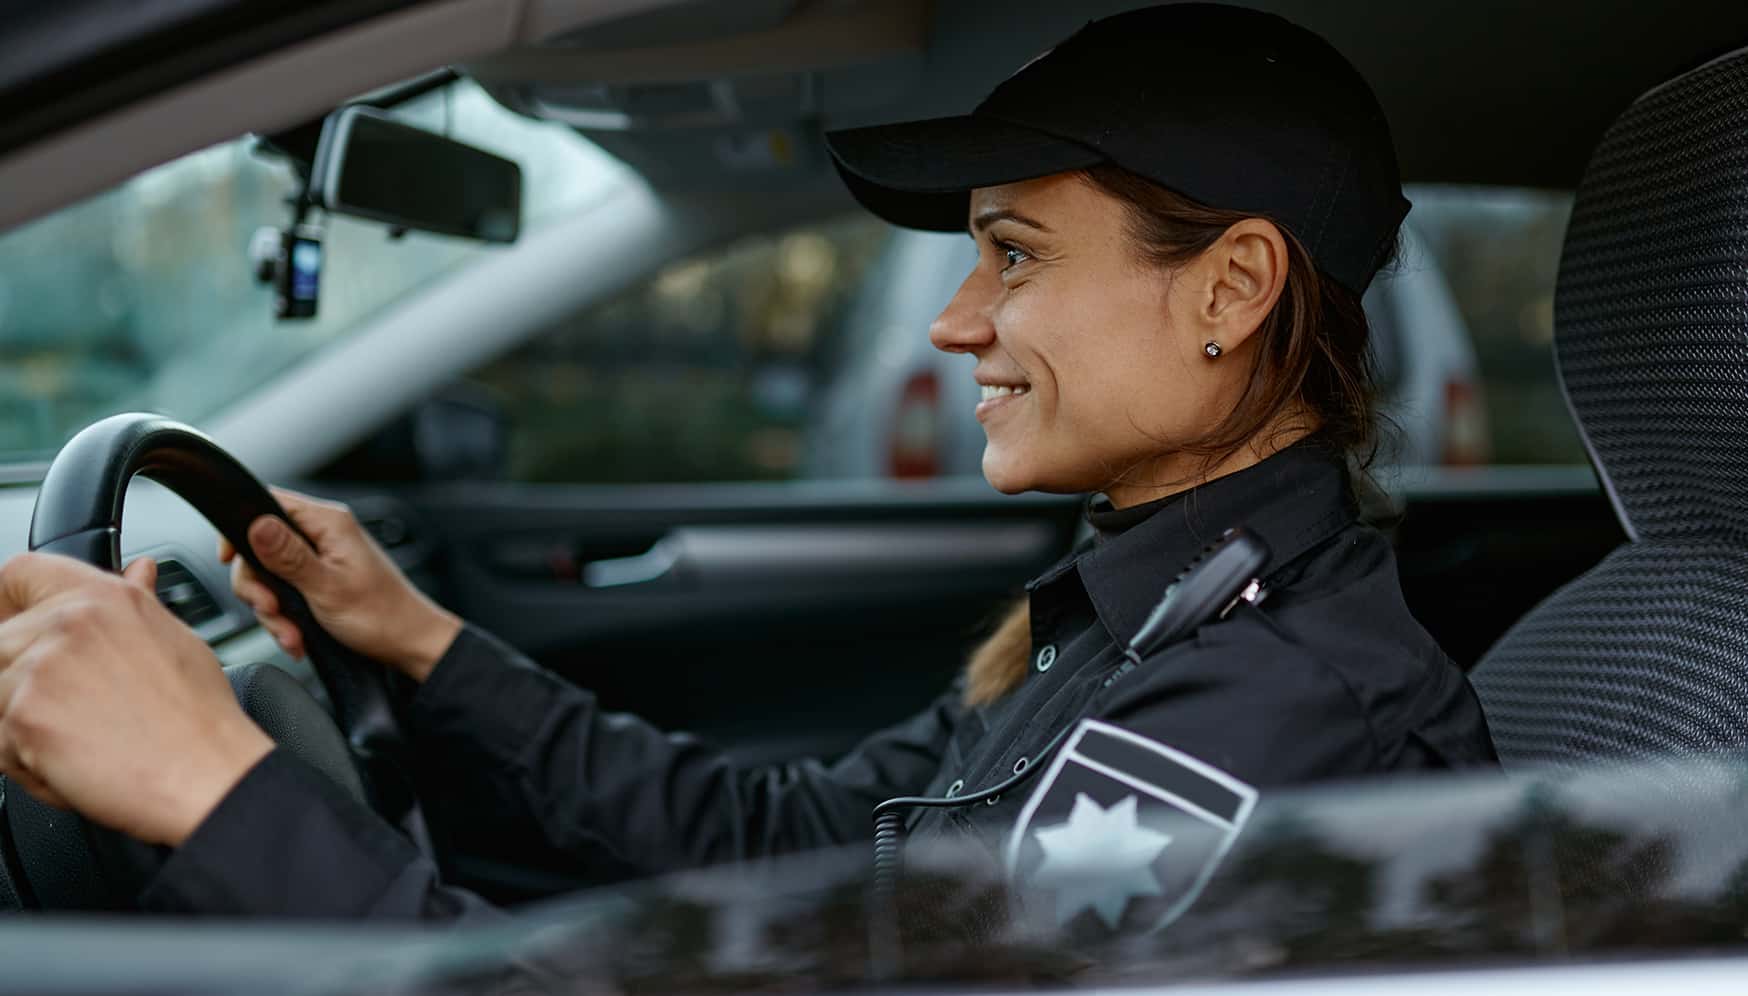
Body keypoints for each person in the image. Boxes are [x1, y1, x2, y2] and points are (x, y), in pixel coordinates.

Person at [0, 3, 1496, 922]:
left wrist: (219, 794)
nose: (958, 323)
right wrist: (423, 644)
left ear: (1229, 291)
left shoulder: (1264, 716)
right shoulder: (1158, 619)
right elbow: (784, 844)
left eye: (1012, 254)